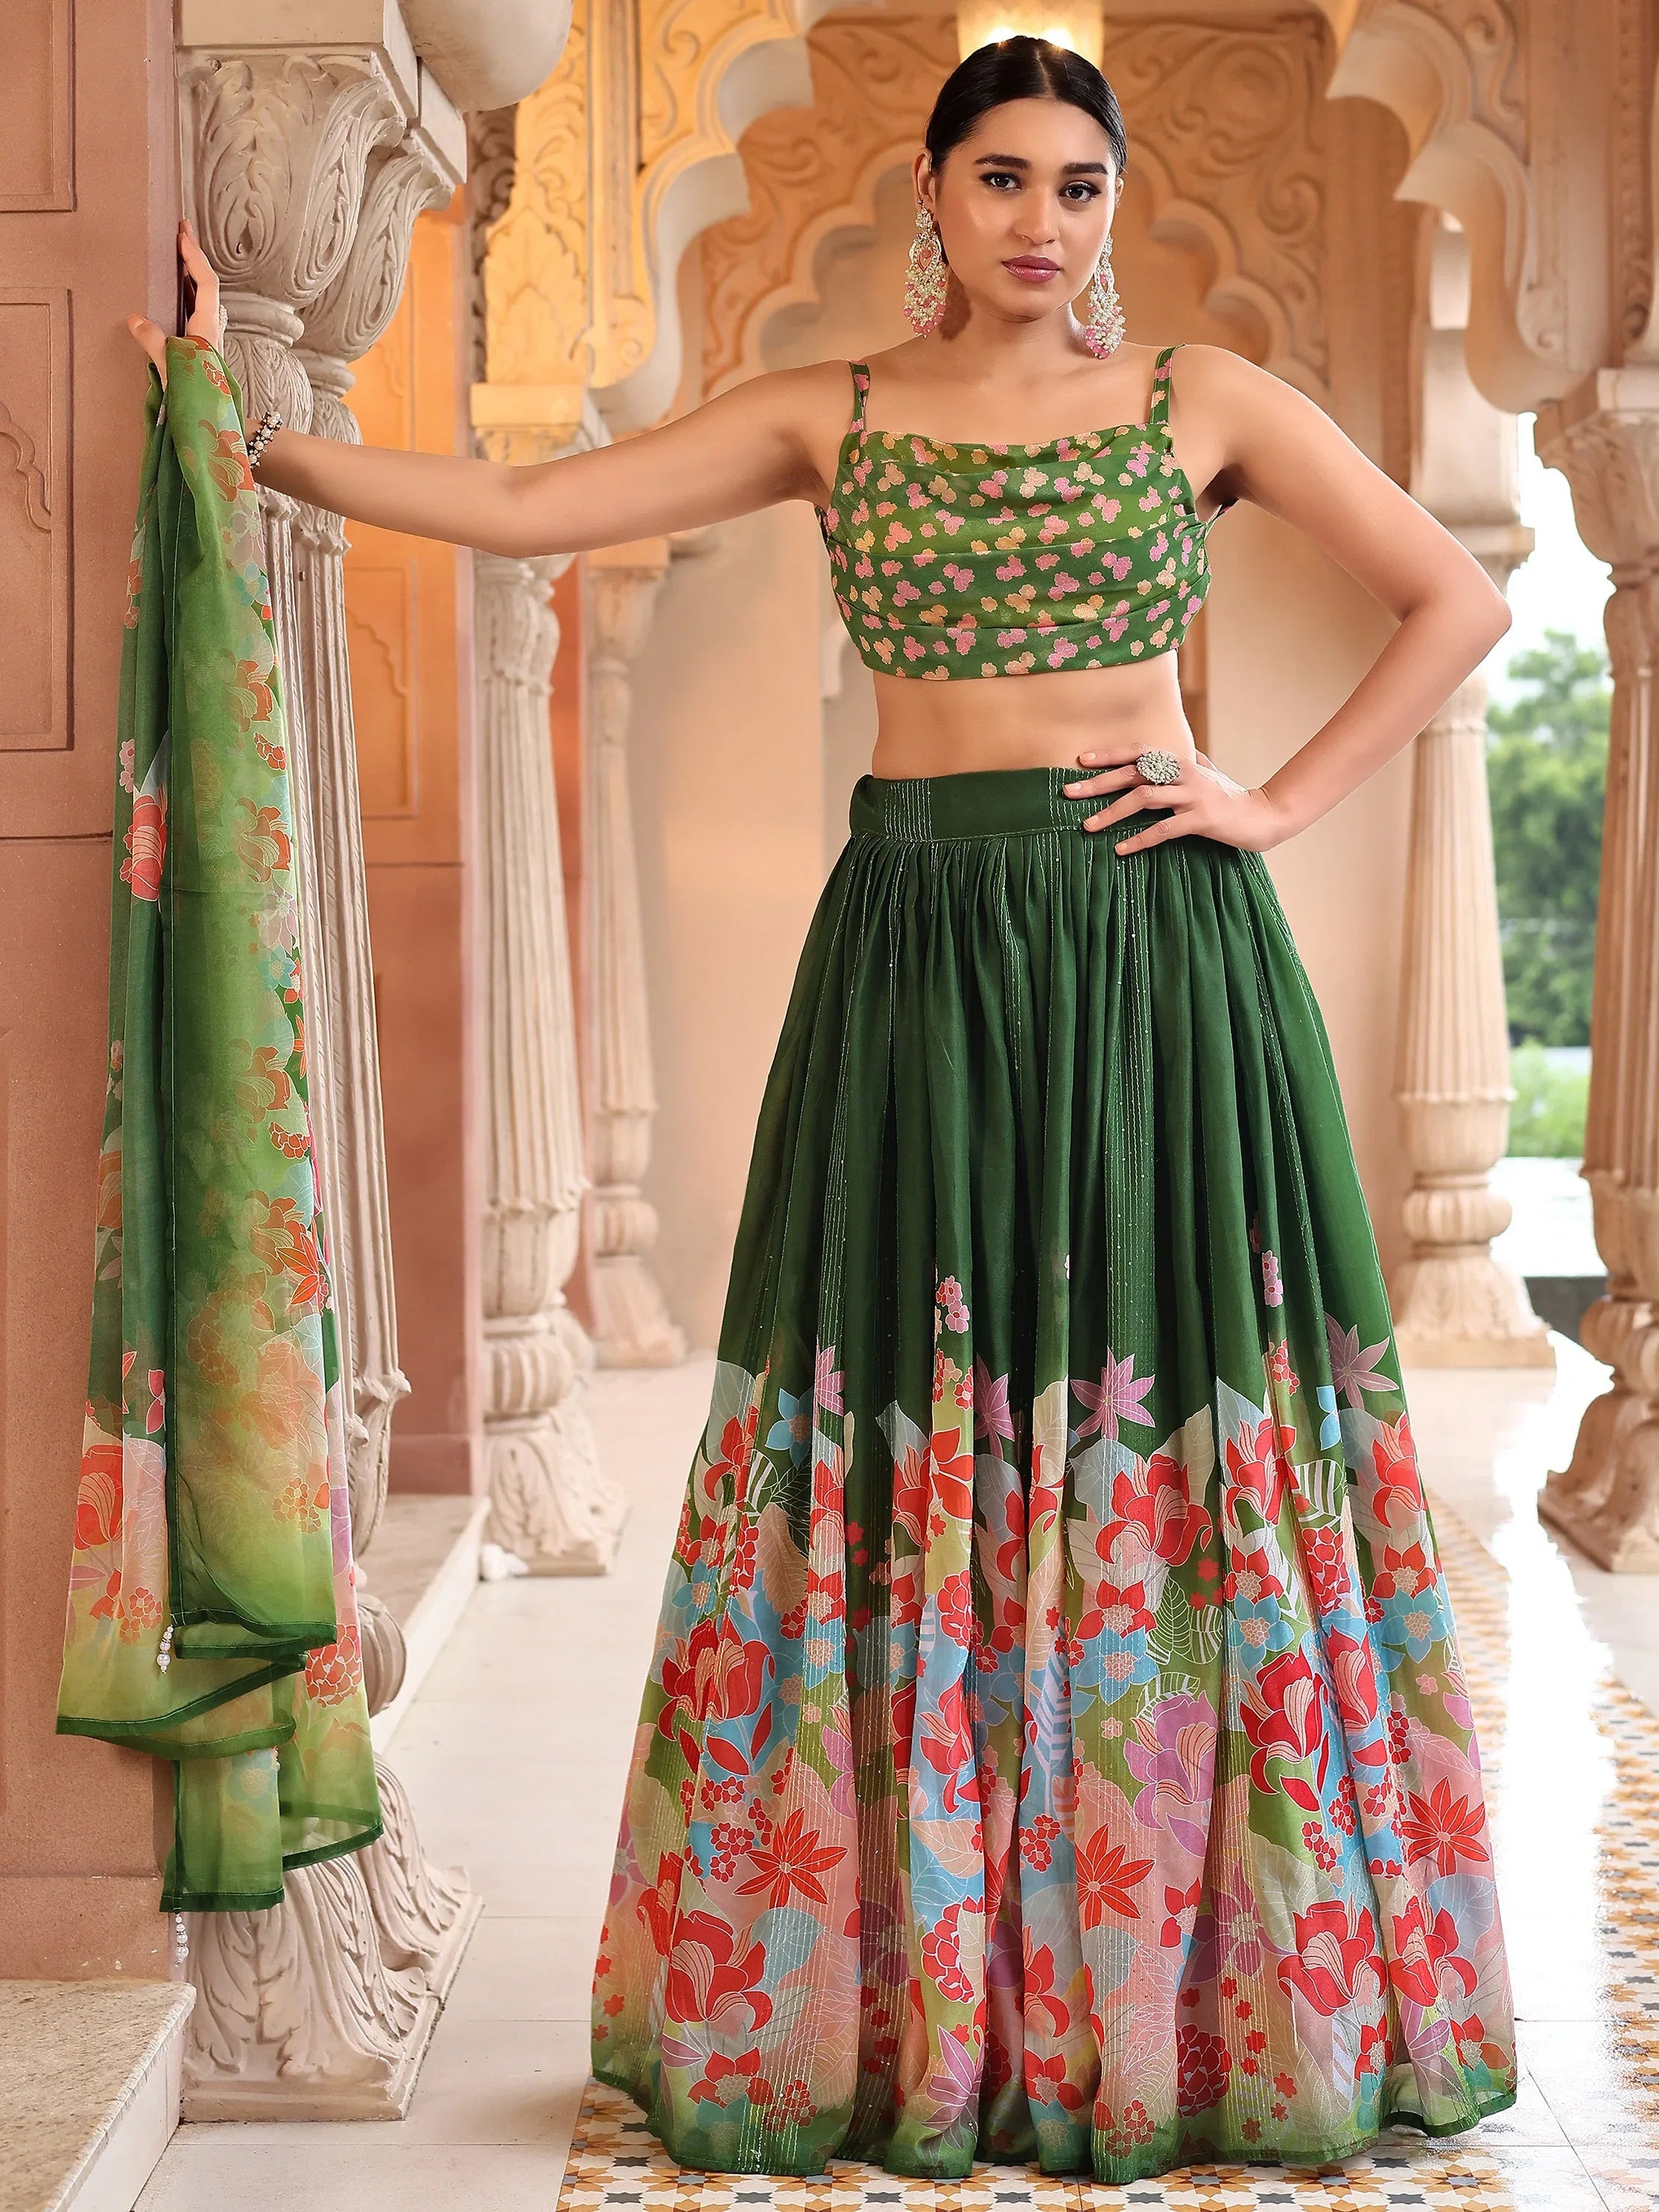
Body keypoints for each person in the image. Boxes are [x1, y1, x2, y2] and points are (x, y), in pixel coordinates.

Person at [134, 34, 1517, 2185]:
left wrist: (1261, 806)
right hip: (919, 966)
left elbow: (1459, 597)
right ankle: (919, 2007)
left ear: (1108, 206)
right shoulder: (829, 410)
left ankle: (1189, 2004)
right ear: (932, 195)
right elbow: (519, 508)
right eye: (1001, 180)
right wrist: (255, 434)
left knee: (1153, 1436)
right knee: (922, 1448)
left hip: (1155, 963)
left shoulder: (1206, 402)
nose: (1040, 223)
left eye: (1075, 184)